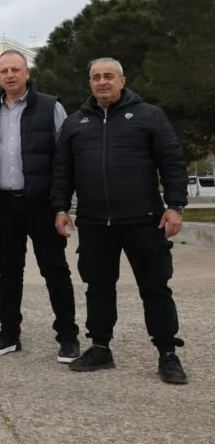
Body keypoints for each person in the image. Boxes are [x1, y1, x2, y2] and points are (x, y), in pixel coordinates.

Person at [53, 58, 189, 384]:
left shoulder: (149, 116)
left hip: (144, 220)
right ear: (89, 83)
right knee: (98, 288)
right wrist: (60, 208)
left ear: (122, 80)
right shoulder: (74, 123)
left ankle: (167, 352)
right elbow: (62, 172)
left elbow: (172, 162)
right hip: (95, 223)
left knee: (155, 287)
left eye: (108, 76)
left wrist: (175, 206)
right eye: (96, 77)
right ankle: (100, 347)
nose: (102, 82)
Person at [0, 50, 80, 362]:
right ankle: (9, 334)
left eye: (15, 69)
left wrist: (63, 205)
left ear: (27, 73)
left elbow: (65, 159)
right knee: (8, 271)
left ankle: (67, 337)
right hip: (4, 204)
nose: (9, 75)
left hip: (42, 203)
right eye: (3, 71)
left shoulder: (51, 107)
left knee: (55, 270)